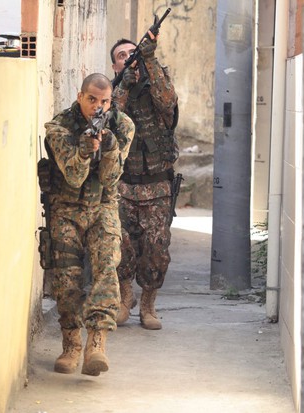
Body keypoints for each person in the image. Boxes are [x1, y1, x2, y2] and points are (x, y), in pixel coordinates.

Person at [43, 73, 134, 376]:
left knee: (107, 266)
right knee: (66, 278)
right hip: (66, 207)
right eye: (92, 99)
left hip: (103, 206)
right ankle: (71, 344)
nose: (97, 107)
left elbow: (111, 178)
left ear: (112, 101)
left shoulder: (122, 126)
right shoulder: (60, 127)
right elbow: (74, 176)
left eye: (104, 101)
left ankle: (97, 342)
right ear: (80, 96)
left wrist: (107, 147)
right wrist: (83, 150)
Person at [110, 33, 179, 330]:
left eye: (132, 53)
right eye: (121, 56)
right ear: (115, 67)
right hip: (123, 185)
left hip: (157, 186)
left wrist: (149, 60)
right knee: (121, 246)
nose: (128, 58)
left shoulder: (157, 87)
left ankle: (148, 304)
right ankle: (126, 298)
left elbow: (168, 101)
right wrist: (124, 83)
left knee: (156, 248)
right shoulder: (113, 90)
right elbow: (111, 119)